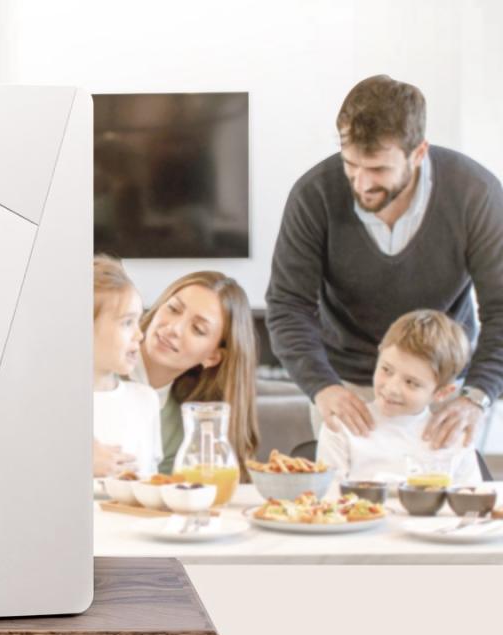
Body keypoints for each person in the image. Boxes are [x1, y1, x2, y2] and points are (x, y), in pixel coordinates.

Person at [266, 75, 503, 449]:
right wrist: (321, 387)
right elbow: (287, 305)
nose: (361, 184)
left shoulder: (475, 194)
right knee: (346, 500)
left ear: (419, 153)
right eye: (351, 165)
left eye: (378, 169)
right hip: (343, 383)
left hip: (443, 388)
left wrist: (477, 396)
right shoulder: (314, 195)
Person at [317, 310, 481, 485]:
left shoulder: (454, 438)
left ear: (441, 393)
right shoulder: (341, 427)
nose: (392, 388)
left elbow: (473, 503)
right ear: (379, 355)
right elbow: (328, 498)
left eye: (411, 382)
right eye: (386, 370)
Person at [126, 271, 259, 476]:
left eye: (197, 329)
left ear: (213, 357)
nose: (174, 328)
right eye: (173, 309)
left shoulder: (187, 427)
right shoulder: (97, 372)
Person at [91, 256, 162, 479]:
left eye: (138, 321)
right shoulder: (48, 405)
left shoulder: (145, 400)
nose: (139, 335)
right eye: (127, 322)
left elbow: (151, 482)